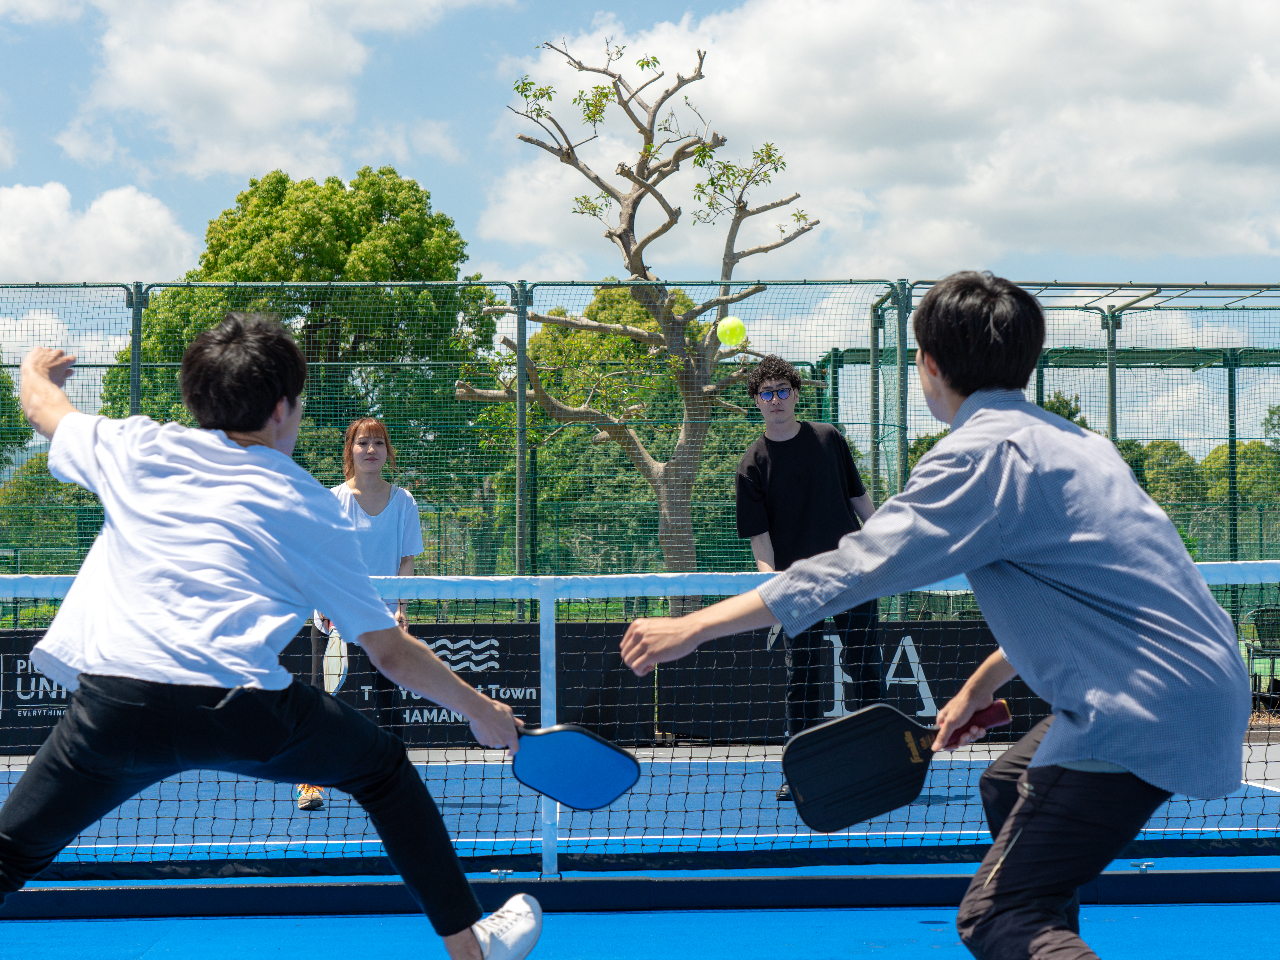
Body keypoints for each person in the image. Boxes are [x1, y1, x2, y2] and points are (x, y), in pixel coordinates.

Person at [620, 272, 1250, 960]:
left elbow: (853, 566)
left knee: (999, 916)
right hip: (1198, 680)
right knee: (1006, 784)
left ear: (928, 364)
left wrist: (694, 625)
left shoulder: (979, 456)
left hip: (1137, 704)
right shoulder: (1080, 444)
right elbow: (1103, 596)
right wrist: (980, 687)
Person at [0, 315, 542, 960]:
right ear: (283, 408)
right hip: (243, 711)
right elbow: (390, 652)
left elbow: (44, 407)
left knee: (8, 855)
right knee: (383, 771)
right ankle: (470, 947)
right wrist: (480, 711)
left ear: (194, 398)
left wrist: (35, 368)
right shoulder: (309, 505)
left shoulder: (133, 446)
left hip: (117, 708)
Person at [735, 355, 878, 801]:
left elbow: (859, 499)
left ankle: (879, 760)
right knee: (803, 677)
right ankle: (800, 770)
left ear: (796, 394)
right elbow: (760, 540)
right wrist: (771, 582)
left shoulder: (828, 438)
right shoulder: (751, 465)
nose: (775, 399)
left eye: (783, 390)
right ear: (756, 401)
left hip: (852, 573)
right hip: (797, 587)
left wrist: (883, 545)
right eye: (766, 393)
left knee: (865, 668)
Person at [297, 417, 424, 812]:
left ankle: (395, 779)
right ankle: (310, 781)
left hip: (381, 617)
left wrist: (401, 609)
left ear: (387, 452)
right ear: (350, 451)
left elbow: (406, 561)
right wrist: (326, 603)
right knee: (320, 700)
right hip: (333, 612)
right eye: (363, 443)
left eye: (379, 443)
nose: (371, 450)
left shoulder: (403, 502)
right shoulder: (332, 500)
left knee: (388, 698)